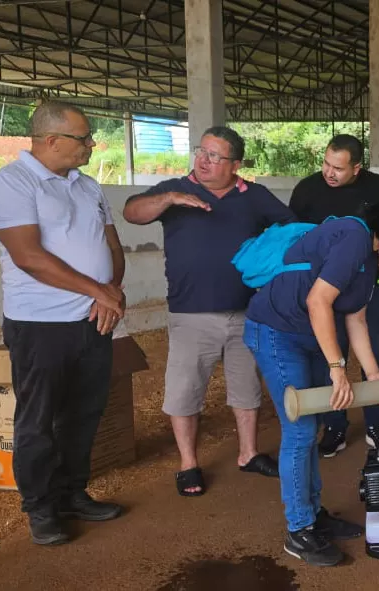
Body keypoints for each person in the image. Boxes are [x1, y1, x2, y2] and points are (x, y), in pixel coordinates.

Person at [242, 191, 379, 567]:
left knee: (310, 429)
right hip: (277, 333)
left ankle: (313, 515)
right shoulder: (353, 236)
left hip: (310, 338)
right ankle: (299, 530)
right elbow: (318, 301)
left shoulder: (369, 259)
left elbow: (355, 319)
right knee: (298, 430)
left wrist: (373, 372)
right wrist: (338, 368)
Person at [0, 101, 127, 545]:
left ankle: (72, 493)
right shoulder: (12, 183)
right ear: (51, 141)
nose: (92, 145)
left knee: (83, 414)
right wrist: (98, 291)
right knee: (38, 421)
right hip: (40, 325)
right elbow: (30, 258)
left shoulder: (88, 185)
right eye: (84, 138)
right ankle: (41, 509)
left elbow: (112, 245)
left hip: (93, 320)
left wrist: (111, 292)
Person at [123, 126, 295, 497]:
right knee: (185, 390)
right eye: (201, 151)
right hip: (191, 312)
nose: (203, 160)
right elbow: (132, 213)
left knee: (246, 386)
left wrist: (269, 264)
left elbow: (289, 230)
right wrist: (170, 198)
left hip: (248, 311)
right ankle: (188, 464)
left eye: (214, 156)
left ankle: (248, 454)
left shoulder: (255, 196)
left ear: (235, 164)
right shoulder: (176, 190)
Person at [288, 134, 379, 457]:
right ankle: (335, 427)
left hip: (367, 287)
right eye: (326, 163)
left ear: (357, 168)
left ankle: (377, 425)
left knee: (375, 353)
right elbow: (293, 235)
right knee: (330, 357)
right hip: (324, 289)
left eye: (338, 168)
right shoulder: (306, 190)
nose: (329, 173)